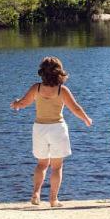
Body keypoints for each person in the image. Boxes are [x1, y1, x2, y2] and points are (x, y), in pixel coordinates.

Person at [10, 56, 92, 207]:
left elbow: (24, 102)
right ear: (59, 73)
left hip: (40, 128)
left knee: (42, 164)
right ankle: (53, 199)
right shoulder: (62, 90)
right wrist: (86, 118)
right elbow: (75, 108)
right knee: (57, 166)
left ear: (42, 72)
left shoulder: (37, 88)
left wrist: (16, 104)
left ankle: (35, 194)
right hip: (57, 129)